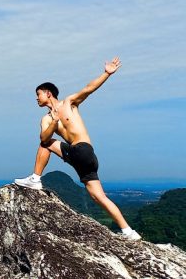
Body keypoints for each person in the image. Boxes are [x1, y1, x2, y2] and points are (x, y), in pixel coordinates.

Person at [14, 57, 141, 241]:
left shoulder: (69, 103)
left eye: (38, 94)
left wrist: (106, 73)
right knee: (98, 197)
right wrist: (55, 121)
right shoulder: (47, 120)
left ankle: (35, 178)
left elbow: (89, 89)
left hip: (82, 151)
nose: (36, 98)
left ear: (48, 93)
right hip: (86, 157)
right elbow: (44, 136)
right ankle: (129, 232)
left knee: (45, 144)